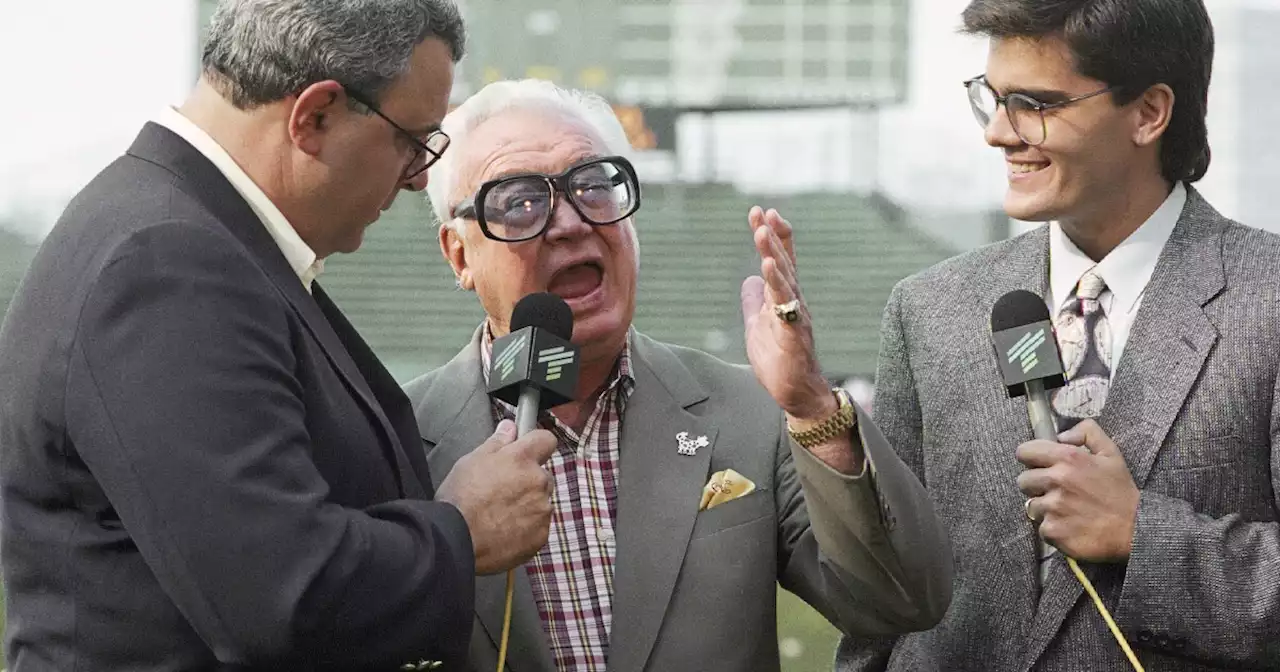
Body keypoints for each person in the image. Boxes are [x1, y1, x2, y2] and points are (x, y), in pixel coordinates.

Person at [0, 1, 558, 670]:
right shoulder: (167, 262)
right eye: (413, 141)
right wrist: (462, 532)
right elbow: (284, 594)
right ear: (314, 115)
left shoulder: (190, 235)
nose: (416, 180)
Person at [403, 78, 953, 672]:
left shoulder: (747, 410)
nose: (568, 222)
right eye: (520, 202)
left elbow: (903, 601)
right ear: (459, 255)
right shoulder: (399, 441)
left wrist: (813, 405)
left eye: (592, 185)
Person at [836, 0, 1280, 670]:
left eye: (1035, 103)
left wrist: (1141, 533)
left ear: (1149, 113)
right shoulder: (927, 310)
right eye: (990, 99)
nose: (999, 133)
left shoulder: (1268, 298)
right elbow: (884, 609)